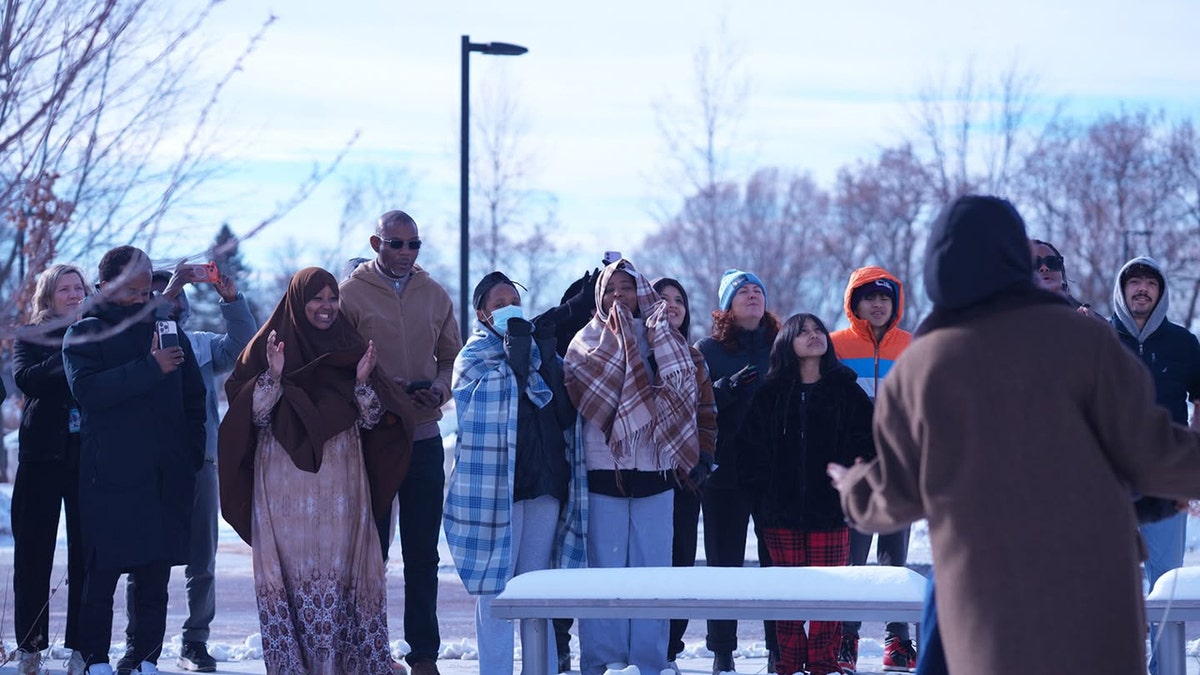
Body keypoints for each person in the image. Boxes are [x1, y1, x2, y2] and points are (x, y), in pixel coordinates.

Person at [828, 194, 1200, 675]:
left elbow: (895, 495)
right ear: (1016, 258)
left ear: (938, 264)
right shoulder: (1086, 340)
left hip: (985, 593)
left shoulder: (922, 363)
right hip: (1094, 588)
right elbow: (1153, 453)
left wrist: (855, 488)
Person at [218, 267, 404, 674]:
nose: (326, 307)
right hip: (284, 489)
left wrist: (360, 383)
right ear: (297, 302)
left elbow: (375, 420)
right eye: (316, 298)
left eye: (332, 298)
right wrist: (275, 374)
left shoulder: (351, 347)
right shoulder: (265, 348)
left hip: (342, 486)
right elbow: (254, 418)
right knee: (289, 576)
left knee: (342, 573)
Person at [63, 246, 207, 675]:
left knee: (153, 574)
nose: (141, 299)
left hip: (165, 472)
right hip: (110, 473)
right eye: (131, 291)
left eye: (147, 291)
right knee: (102, 572)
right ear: (104, 286)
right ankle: (94, 658)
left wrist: (191, 452)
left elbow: (194, 398)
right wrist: (149, 367)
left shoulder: (167, 329)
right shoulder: (86, 333)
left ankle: (144, 657)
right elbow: (88, 391)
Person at [563, 258, 702, 675]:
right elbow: (580, 394)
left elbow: (685, 395)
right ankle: (601, 661)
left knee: (652, 576)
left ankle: (650, 661)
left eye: (627, 288)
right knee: (603, 574)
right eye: (611, 289)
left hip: (657, 471)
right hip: (605, 469)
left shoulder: (668, 339)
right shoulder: (584, 341)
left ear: (642, 293)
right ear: (600, 297)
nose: (619, 296)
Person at [116, 266, 257, 672]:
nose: (171, 301)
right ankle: (139, 645)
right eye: (162, 294)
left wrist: (231, 299)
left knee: (202, 560)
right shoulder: (132, 345)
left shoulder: (198, 345)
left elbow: (242, 347)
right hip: (149, 467)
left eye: (177, 296)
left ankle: (196, 640)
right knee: (144, 559)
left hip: (200, 464)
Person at [338, 210, 461, 675]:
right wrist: (377, 390)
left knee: (423, 554)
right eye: (396, 243)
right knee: (370, 553)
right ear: (376, 243)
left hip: (425, 437)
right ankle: (366, 647)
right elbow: (339, 366)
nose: (406, 253)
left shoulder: (434, 294)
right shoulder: (350, 294)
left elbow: (453, 357)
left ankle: (423, 654)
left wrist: (440, 388)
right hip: (373, 438)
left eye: (414, 245)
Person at [444, 271, 580, 675]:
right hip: (497, 488)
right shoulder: (473, 356)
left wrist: (548, 362)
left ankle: (542, 669)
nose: (509, 309)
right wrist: (514, 369)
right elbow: (473, 407)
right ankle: (496, 670)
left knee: (538, 588)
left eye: (513, 302)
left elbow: (564, 412)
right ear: (483, 314)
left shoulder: (541, 351)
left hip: (544, 484)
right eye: (499, 304)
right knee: (496, 589)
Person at [740, 313, 874, 675]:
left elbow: (868, 443)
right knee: (787, 598)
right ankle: (787, 664)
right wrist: (764, 496)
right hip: (779, 513)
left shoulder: (846, 389)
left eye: (818, 330)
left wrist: (849, 484)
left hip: (830, 511)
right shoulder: (769, 393)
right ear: (787, 342)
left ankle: (823, 665)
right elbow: (750, 450)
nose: (815, 336)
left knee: (828, 597)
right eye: (803, 332)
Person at [1109, 255, 1200, 674]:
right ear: (1122, 290)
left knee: (1166, 581)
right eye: (1134, 283)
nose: (1141, 289)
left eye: (1149, 282)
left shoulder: (1184, 342)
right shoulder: (1100, 338)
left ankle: (1165, 667)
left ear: (1161, 291)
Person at [827, 267, 915, 672]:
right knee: (853, 557)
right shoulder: (835, 345)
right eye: (869, 298)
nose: (878, 304)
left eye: (885, 298)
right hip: (854, 468)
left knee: (894, 557)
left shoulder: (912, 345)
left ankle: (898, 640)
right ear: (854, 303)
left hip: (900, 467)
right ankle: (846, 636)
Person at [694, 268, 781, 674]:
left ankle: (778, 649)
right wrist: (725, 390)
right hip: (725, 472)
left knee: (775, 565)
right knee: (723, 565)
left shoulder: (783, 348)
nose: (752, 296)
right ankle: (722, 651)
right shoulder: (707, 351)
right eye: (743, 291)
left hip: (774, 472)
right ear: (727, 305)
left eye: (757, 291)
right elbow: (694, 411)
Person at [11, 263, 91, 674]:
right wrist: (72, 351)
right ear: (48, 295)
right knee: (33, 555)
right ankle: (30, 647)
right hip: (41, 456)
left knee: (87, 556)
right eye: (65, 289)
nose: (75, 294)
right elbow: (27, 379)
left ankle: (81, 647)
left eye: (79, 287)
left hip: (88, 458)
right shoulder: (30, 335)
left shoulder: (100, 331)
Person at [651, 276, 718, 671]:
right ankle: (638, 647)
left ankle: (671, 648)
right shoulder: (636, 349)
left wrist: (704, 457)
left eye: (679, 300)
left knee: (680, 562)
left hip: (686, 478)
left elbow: (708, 413)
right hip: (643, 477)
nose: (672, 305)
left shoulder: (694, 357)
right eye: (663, 298)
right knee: (645, 563)